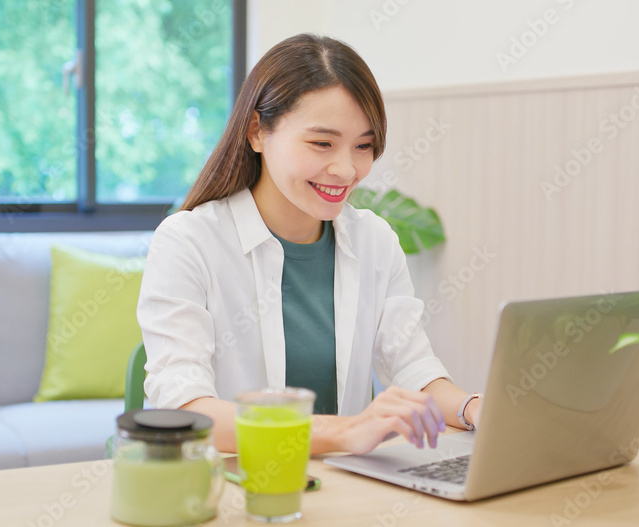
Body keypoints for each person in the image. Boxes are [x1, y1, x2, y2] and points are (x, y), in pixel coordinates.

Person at [137, 33, 482, 455]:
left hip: (342, 488)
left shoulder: (375, 240)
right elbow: (187, 408)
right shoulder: (188, 242)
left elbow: (413, 368)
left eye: (364, 146)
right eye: (322, 143)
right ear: (257, 132)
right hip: (234, 491)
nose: (346, 169)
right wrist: (343, 432)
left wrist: (474, 409)